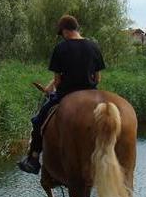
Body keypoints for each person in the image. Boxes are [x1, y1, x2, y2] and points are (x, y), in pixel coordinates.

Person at [17, 15, 105, 174]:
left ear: (64, 31)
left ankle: (34, 158)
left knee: (38, 120)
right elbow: (98, 78)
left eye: (62, 33)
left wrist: (51, 89)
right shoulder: (94, 47)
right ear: (76, 29)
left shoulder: (61, 48)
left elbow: (57, 81)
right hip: (92, 94)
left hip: (66, 95)